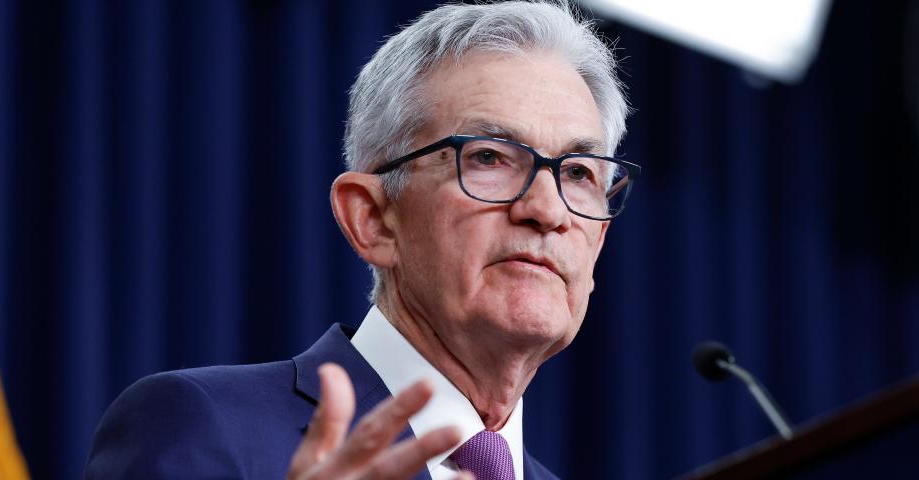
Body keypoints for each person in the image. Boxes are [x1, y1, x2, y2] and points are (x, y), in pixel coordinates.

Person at [85, 1, 638, 479]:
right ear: (372, 218)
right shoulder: (205, 426)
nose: (545, 210)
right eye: (488, 157)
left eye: (578, 173)